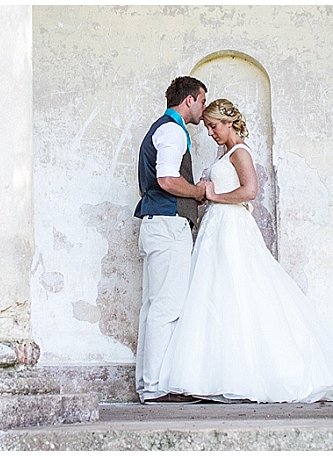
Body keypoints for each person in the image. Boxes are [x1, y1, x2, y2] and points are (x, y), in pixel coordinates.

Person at [157, 98, 333, 403]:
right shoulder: (225, 153)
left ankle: (243, 376)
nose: (211, 133)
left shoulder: (240, 152)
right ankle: (215, 376)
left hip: (231, 228)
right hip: (217, 227)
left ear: (229, 123)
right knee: (215, 294)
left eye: (213, 126)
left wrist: (214, 193)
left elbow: (250, 191)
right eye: (207, 127)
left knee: (238, 291)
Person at [133, 76, 208, 404]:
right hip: (168, 225)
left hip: (156, 223)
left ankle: (147, 384)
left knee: (153, 307)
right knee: (167, 307)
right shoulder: (173, 131)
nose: (203, 109)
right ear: (189, 100)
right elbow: (165, 178)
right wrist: (197, 192)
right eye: (202, 101)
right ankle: (156, 388)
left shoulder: (160, 130)